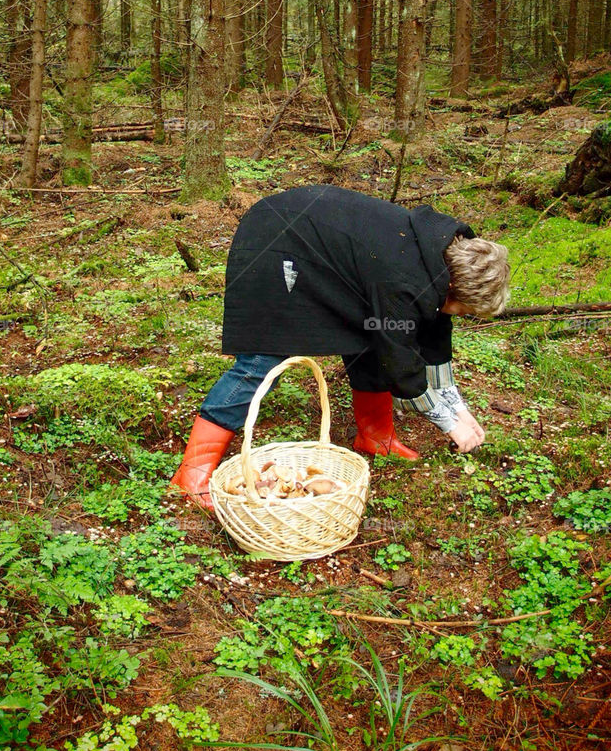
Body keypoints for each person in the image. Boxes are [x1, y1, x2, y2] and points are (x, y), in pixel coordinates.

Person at [171, 185, 510, 509]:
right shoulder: (404, 279)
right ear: (454, 287)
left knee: (373, 334)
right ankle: (193, 473)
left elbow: (434, 336)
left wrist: (460, 410)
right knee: (261, 362)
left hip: (325, 246)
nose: (462, 316)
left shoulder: (440, 259)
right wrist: (450, 424)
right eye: (465, 310)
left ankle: (375, 438)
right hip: (276, 238)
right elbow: (401, 363)